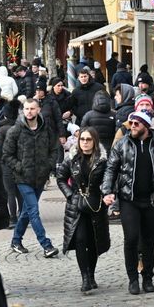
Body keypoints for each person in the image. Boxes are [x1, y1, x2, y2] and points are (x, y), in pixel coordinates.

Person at [102, 111, 154, 294]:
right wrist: (107, 191)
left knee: (148, 241)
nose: (132, 126)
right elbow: (111, 168)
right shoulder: (122, 144)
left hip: (152, 200)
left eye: (136, 123)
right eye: (131, 123)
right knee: (131, 239)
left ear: (146, 126)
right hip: (129, 200)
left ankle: (147, 278)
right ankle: (133, 279)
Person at [3, 98, 60, 257]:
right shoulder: (15, 130)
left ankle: (16, 240)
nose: (29, 112)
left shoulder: (46, 129)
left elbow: (54, 149)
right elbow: (7, 155)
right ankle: (46, 245)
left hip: (40, 178)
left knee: (27, 212)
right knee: (33, 211)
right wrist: (19, 167)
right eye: (27, 109)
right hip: (23, 178)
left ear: (38, 110)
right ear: (23, 110)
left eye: (32, 108)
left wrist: (48, 165)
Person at [57, 126, 110, 294]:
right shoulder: (71, 158)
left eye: (88, 139)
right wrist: (70, 195)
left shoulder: (102, 159)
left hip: (96, 204)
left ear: (94, 141)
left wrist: (107, 194)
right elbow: (61, 178)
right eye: (82, 139)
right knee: (80, 239)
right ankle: (85, 277)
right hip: (76, 205)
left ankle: (92, 274)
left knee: (93, 242)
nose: (85, 143)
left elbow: (109, 179)